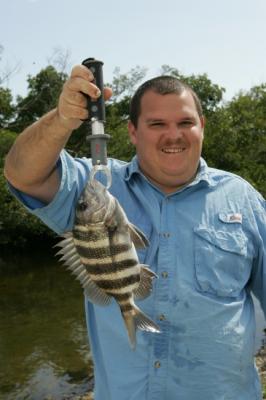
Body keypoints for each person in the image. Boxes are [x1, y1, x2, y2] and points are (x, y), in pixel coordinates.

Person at [4, 64, 266, 400]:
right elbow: (22, 174)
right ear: (132, 132)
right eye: (157, 124)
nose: (174, 135)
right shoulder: (96, 183)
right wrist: (63, 119)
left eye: (185, 122)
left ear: (201, 127)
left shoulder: (243, 200)